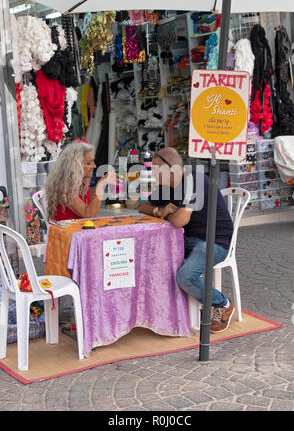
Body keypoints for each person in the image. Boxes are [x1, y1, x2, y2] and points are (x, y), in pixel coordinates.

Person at [139, 147, 235, 334]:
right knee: (154, 259)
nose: (153, 174)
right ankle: (171, 311)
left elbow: (178, 221)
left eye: (156, 170)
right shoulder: (168, 186)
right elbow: (143, 206)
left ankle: (223, 304)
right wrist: (160, 211)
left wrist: (170, 213)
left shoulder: (196, 182)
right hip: (190, 239)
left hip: (215, 242)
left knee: (185, 276)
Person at [45, 140, 120, 221]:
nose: (94, 166)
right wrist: (100, 186)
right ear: (75, 166)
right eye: (89, 163)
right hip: (66, 231)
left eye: (93, 162)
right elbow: (89, 215)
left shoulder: (83, 181)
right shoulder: (64, 185)